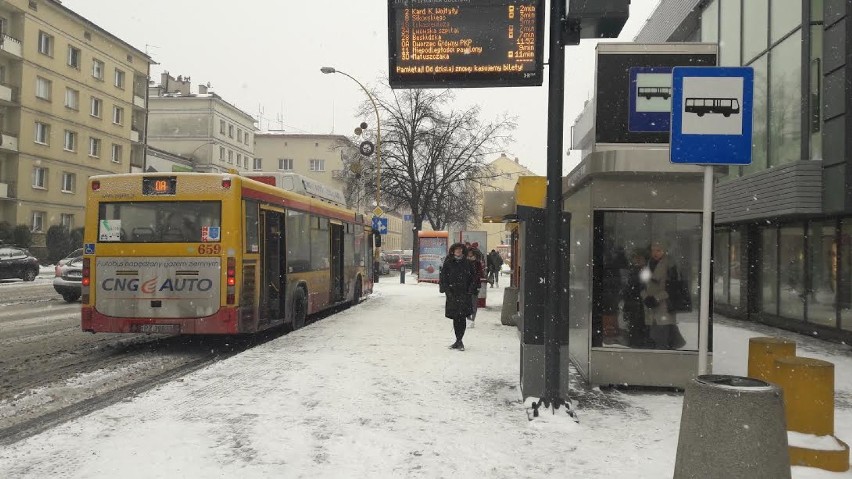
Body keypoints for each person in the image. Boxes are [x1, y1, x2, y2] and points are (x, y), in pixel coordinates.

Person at [640, 241, 686, 349]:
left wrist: (656, 298)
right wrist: (645, 297)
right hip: (651, 306)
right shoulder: (648, 264)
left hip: (664, 306)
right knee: (656, 334)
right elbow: (641, 284)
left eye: (658, 250)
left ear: (664, 251)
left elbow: (672, 287)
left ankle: (665, 353)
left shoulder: (670, 265)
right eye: (653, 250)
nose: (655, 253)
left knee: (662, 334)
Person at [439, 243, 477, 351]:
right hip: (452, 294)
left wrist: (470, 290)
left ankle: (460, 340)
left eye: (460, 250)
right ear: (453, 251)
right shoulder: (448, 263)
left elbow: (473, 278)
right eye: (456, 250)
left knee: (462, 317)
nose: (458, 251)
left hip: (464, 294)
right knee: (456, 317)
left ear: (462, 251)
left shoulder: (468, 263)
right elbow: (443, 279)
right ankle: (458, 340)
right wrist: (447, 291)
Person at [623, 248, 648, 348]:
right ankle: (635, 343)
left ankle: (638, 343)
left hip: (641, 304)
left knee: (639, 326)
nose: (637, 260)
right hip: (633, 303)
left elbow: (645, 286)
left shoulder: (645, 271)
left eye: (639, 258)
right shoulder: (632, 271)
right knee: (634, 326)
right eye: (635, 258)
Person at [467, 247, 485, 328]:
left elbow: (480, 274)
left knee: (474, 304)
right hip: (466, 286)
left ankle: (472, 320)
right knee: (466, 304)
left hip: (474, 286)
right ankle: (468, 318)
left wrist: (475, 279)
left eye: (471, 253)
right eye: (468, 253)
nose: (470, 255)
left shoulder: (477, 263)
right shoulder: (465, 262)